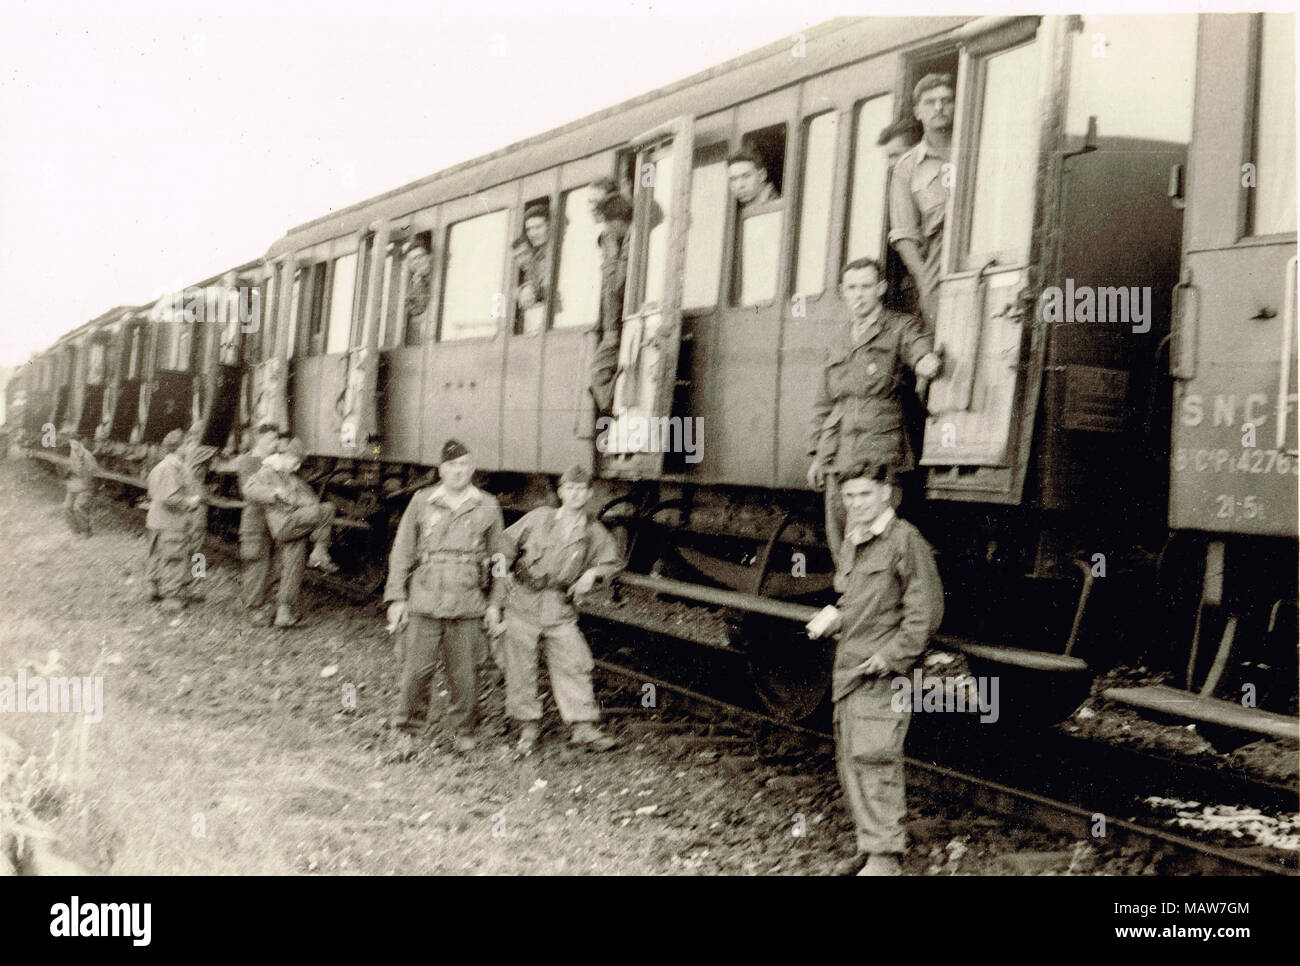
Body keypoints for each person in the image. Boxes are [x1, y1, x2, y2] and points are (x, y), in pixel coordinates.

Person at [805, 461, 944, 876]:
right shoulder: (855, 540)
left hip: (881, 674)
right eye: (849, 497)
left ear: (887, 493)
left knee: (875, 759)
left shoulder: (906, 542)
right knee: (852, 760)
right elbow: (857, 599)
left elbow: (925, 614)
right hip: (849, 670)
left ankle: (886, 859)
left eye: (865, 494)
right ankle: (871, 847)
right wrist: (836, 616)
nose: (856, 504)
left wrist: (891, 658)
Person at [807, 258, 941, 569]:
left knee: (879, 537)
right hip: (838, 453)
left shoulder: (899, 327)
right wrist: (816, 453)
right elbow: (823, 403)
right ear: (843, 292)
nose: (859, 294)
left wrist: (924, 361)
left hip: (880, 452)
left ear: (880, 289)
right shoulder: (838, 340)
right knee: (841, 539)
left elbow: (916, 346)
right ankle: (853, 605)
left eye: (866, 286)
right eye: (852, 288)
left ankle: (881, 610)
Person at [384, 439, 504, 756]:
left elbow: (500, 560)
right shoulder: (422, 501)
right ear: (441, 470)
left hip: (467, 601)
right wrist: (396, 598)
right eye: (452, 466)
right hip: (425, 598)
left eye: (464, 465)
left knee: (465, 674)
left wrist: (495, 604)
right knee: (416, 671)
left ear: (472, 467)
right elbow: (402, 552)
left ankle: (463, 733)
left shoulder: (487, 504)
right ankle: (406, 733)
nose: (458, 471)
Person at [497, 464, 623, 756]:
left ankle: (582, 727)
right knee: (520, 667)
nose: (576, 495)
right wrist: (502, 577)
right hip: (523, 602)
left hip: (559, 608)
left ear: (589, 494)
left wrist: (592, 575)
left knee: (574, 661)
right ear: (561, 492)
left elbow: (612, 561)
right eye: (570, 489)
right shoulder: (539, 518)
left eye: (582, 490)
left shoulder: (593, 532)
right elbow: (504, 544)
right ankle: (527, 726)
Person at [244, 437, 339, 628]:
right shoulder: (267, 472)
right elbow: (249, 489)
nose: (297, 467)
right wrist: (274, 494)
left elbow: (311, 502)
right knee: (328, 509)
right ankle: (320, 552)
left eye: (299, 464)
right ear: (285, 457)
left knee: (292, 568)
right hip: (284, 525)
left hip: (295, 527)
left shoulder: (292, 478)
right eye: (295, 462)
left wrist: (300, 502)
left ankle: (284, 614)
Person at [889, 73, 955, 327]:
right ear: (917, 111)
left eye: (946, 100)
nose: (939, 107)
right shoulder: (907, 168)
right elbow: (904, 235)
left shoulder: (977, 146)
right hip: (936, 262)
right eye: (930, 102)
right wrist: (926, 282)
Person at [588, 179, 635, 413]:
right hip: (615, 323)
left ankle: (617, 414)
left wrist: (612, 259)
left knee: (598, 371)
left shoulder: (622, 242)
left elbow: (615, 286)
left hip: (617, 325)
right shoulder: (616, 238)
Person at [144, 429, 203, 613]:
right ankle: (171, 599)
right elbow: (170, 498)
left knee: (157, 555)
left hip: (157, 519)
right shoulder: (172, 468)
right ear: (180, 447)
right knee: (174, 558)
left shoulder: (162, 466)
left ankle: (153, 588)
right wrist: (190, 502)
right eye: (188, 443)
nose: (190, 447)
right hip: (172, 521)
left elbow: (154, 492)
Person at [234, 423, 281, 622]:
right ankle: (254, 608)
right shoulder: (247, 461)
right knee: (256, 565)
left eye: (277, 439)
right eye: (272, 439)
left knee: (274, 565)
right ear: (259, 439)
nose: (276, 443)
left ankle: (268, 606)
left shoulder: (275, 461)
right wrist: (277, 494)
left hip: (274, 523)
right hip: (255, 522)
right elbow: (249, 490)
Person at [513, 202, 552, 335]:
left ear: (549, 226)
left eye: (538, 227)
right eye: (529, 229)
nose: (533, 233)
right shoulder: (537, 257)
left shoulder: (554, 253)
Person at [64, 433, 99, 537]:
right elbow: (72, 466)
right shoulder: (73, 452)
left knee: (78, 507)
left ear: (80, 443)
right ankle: (75, 530)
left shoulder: (87, 456)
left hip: (86, 487)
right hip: (74, 485)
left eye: (75, 443)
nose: (73, 446)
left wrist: (85, 481)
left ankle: (86, 531)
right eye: (71, 443)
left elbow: (94, 472)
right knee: (66, 506)